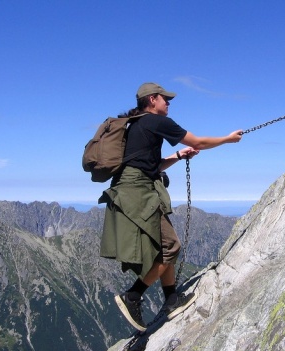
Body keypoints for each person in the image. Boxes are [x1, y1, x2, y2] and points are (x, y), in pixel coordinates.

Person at [99, 82, 243, 331]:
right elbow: (199, 141)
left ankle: (172, 299)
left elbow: (148, 166)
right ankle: (132, 296)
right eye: (165, 99)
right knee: (171, 246)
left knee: (164, 249)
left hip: (128, 188)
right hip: (139, 192)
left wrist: (178, 156)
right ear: (152, 99)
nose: (169, 103)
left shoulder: (136, 124)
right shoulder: (157, 121)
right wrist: (228, 139)